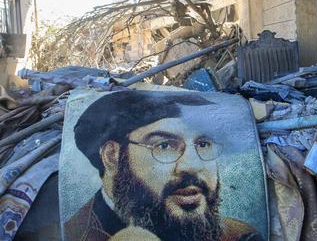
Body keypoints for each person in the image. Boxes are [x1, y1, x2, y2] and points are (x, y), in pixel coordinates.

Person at [65, 90, 264, 241]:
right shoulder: (74, 233)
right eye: (165, 145)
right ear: (112, 156)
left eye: (203, 144)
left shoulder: (238, 235)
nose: (193, 165)